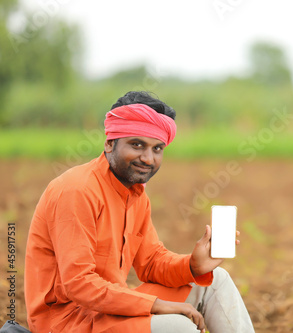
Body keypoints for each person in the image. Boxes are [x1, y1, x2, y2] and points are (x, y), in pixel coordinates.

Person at [24, 91, 255, 333]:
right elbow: (79, 284)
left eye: (157, 149)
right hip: (66, 323)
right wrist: (156, 306)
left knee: (215, 280)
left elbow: (152, 263)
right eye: (137, 145)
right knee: (179, 327)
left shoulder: (136, 195)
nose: (147, 158)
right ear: (109, 142)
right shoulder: (77, 190)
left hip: (108, 312)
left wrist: (193, 266)